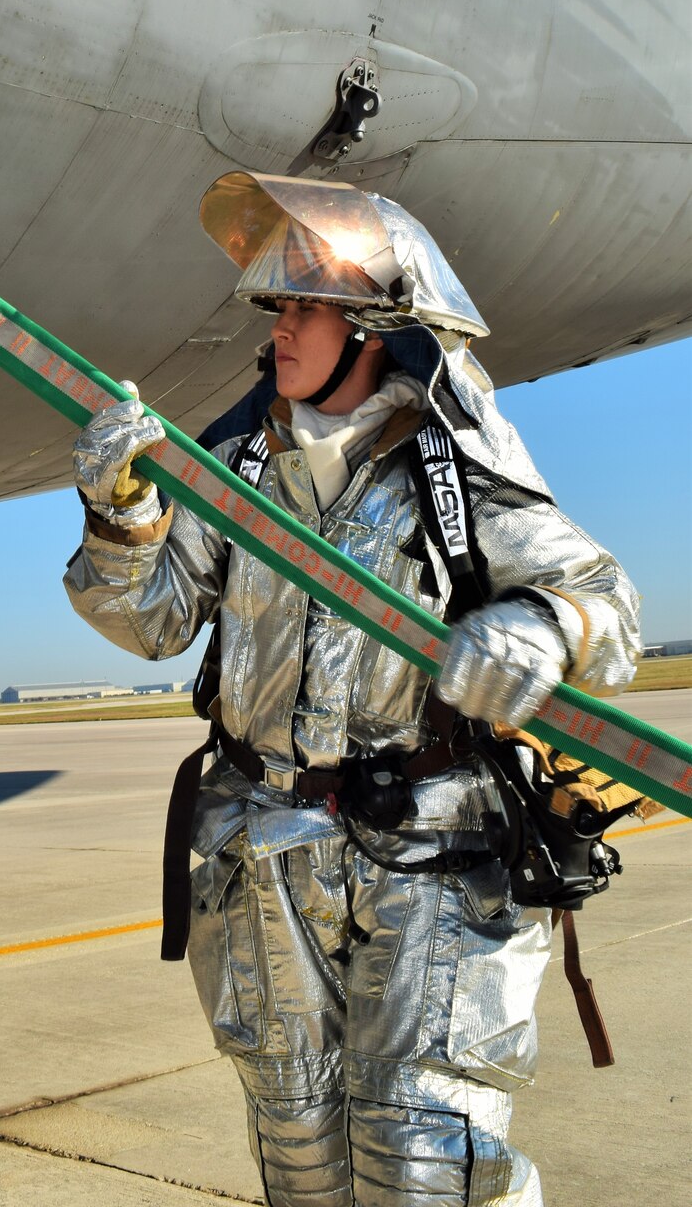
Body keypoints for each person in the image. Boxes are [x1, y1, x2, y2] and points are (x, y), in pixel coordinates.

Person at [65, 170, 639, 1207]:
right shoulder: (233, 468)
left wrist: (545, 624)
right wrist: (120, 515)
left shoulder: (454, 468)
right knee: (298, 1160)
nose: (278, 329)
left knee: (424, 1164)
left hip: (429, 862)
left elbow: (608, 603)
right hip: (263, 860)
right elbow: (149, 620)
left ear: (373, 326)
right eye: (277, 307)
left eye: (302, 306)